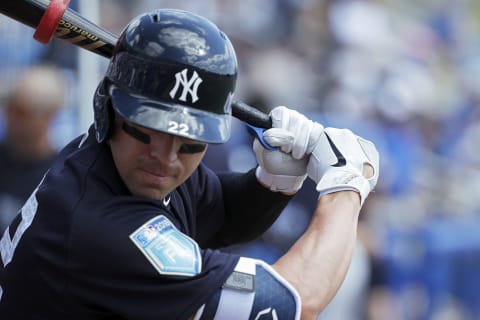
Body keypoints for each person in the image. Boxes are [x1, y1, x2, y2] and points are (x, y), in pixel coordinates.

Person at [0, 9, 379, 320]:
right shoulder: (100, 230)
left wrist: (273, 181)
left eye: (191, 142)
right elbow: (290, 304)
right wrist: (346, 187)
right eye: (148, 130)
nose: (166, 158)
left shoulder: (115, 162)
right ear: (109, 109)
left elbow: (223, 212)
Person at [0, 64, 66, 231]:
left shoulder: (60, 178)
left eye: (22, 112)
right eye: (9, 108)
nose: (11, 118)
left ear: (49, 116)